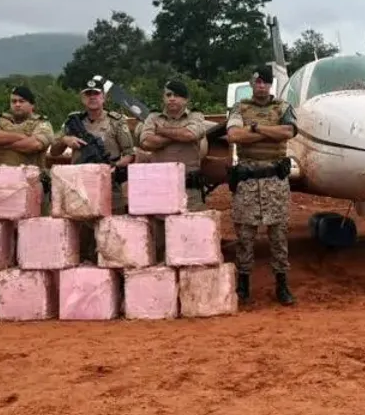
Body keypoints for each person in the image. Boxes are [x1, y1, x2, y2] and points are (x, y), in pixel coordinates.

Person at [225, 65, 297, 306]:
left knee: (279, 236)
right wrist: (269, 133)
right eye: (257, 82)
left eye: (265, 82)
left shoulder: (283, 107)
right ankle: (243, 285)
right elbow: (234, 135)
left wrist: (255, 128)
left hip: (275, 182)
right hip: (247, 181)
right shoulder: (240, 107)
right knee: (245, 235)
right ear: (251, 83)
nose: (261, 86)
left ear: (271, 85)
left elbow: (288, 131)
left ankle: (282, 285)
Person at [49, 77, 137, 262]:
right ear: (83, 99)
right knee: (81, 239)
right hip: (78, 190)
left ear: (103, 97)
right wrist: (65, 140)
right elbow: (55, 152)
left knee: (112, 236)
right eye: (88, 95)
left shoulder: (116, 121)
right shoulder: (73, 122)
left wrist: (113, 168)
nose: (92, 98)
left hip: (109, 187)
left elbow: (129, 154)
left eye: (96, 94)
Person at [136, 80, 208, 212]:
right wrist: (178, 135)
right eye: (168, 95)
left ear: (186, 99)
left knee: (190, 228)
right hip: (160, 187)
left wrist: (162, 131)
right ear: (163, 98)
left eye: (177, 95)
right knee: (160, 228)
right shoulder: (153, 117)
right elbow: (146, 142)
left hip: (189, 189)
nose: (172, 99)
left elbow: (190, 135)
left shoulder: (195, 116)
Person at [0, 85, 56, 212]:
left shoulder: (42, 123)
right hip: (3, 186)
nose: (17, 104)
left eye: (22, 101)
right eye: (13, 101)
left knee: (32, 227)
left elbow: (34, 145)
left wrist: (3, 143)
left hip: (31, 185)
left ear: (32, 105)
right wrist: (21, 137)